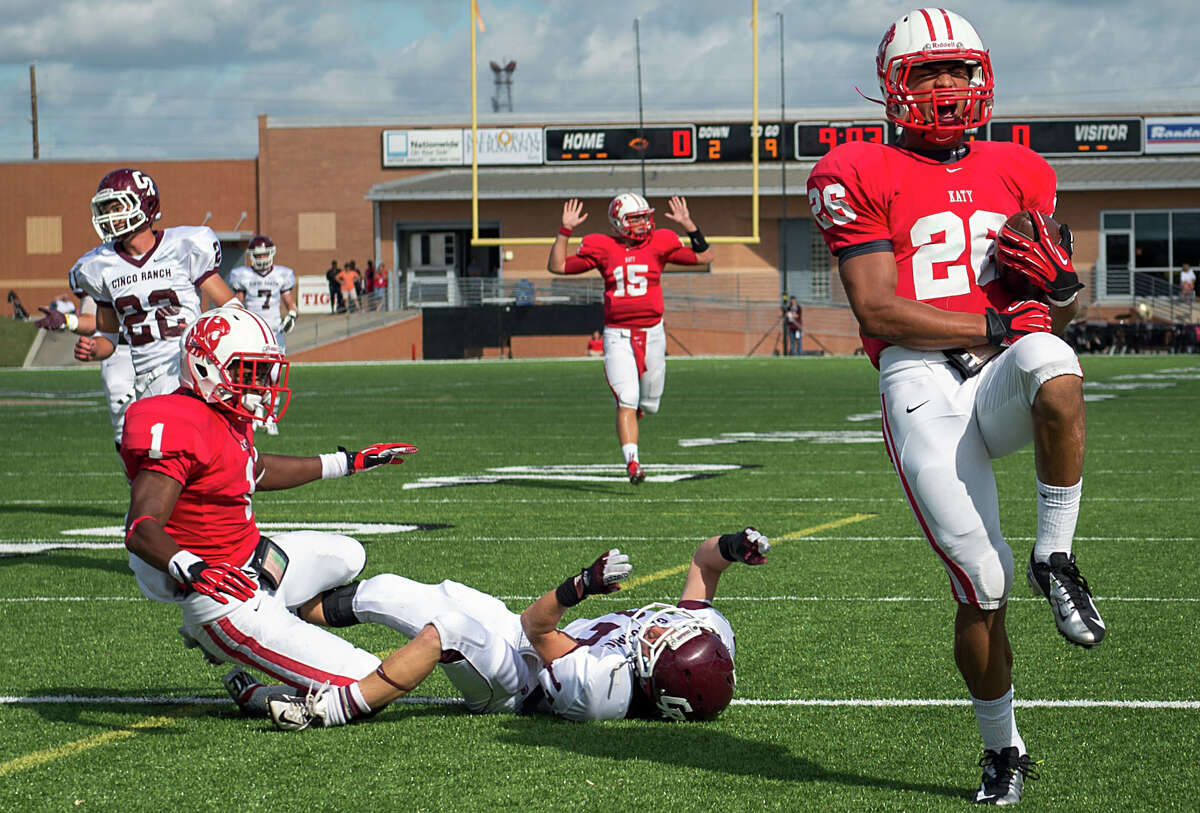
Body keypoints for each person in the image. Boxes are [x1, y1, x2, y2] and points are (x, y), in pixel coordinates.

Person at [806, 9, 1104, 805]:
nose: (947, 86)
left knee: (1057, 365)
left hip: (1003, 367)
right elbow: (877, 308)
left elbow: (1055, 316)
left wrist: (1061, 289)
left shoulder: (1022, 168)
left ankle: (1056, 555)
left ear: (983, 77)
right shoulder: (855, 168)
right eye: (928, 71)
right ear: (893, 85)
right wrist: (1002, 322)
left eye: (959, 70)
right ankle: (1003, 747)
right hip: (920, 378)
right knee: (980, 578)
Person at [120, 305, 428, 726]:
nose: (263, 383)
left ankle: (275, 626)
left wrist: (347, 462)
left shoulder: (225, 413)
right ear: (206, 367)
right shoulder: (178, 423)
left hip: (254, 560)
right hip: (225, 597)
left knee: (349, 556)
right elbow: (141, 527)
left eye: (264, 371)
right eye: (250, 371)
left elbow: (255, 469)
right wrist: (192, 567)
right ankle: (257, 690)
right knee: (369, 681)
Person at [265, 527, 769, 730]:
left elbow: (535, 626)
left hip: (515, 682)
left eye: (659, 644)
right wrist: (733, 546)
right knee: (388, 590)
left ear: (655, 683)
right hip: (526, 644)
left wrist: (579, 586)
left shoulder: (602, 688)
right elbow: (704, 562)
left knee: (447, 629)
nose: (658, 628)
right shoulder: (706, 639)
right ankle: (280, 615)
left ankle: (331, 709)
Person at [547, 194, 714, 484]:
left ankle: (637, 411)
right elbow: (557, 266)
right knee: (626, 398)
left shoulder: (660, 242)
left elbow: (704, 257)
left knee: (649, 405)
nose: (642, 224)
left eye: (644, 217)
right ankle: (633, 462)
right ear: (617, 223)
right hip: (618, 334)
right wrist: (565, 230)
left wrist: (689, 225)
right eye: (635, 219)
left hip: (653, 334)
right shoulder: (603, 247)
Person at [69, 168, 242, 402]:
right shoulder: (100, 265)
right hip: (147, 380)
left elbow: (232, 309)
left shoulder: (182, 246)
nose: (111, 217)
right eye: (107, 210)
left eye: (118, 208)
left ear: (146, 205)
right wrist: (93, 349)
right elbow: (108, 339)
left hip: (191, 369)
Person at [35, 284, 136, 450]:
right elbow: (92, 319)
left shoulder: (176, 266)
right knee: (125, 427)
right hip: (120, 352)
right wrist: (68, 320)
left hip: (167, 352)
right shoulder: (96, 271)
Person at [227, 235, 297, 435]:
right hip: (252, 331)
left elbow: (290, 303)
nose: (261, 258)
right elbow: (237, 302)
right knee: (250, 375)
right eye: (258, 255)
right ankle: (253, 414)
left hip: (274, 332)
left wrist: (292, 314)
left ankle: (271, 417)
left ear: (271, 254)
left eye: (264, 254)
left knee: (274, 376)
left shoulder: (281, 275)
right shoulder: (244, 275)